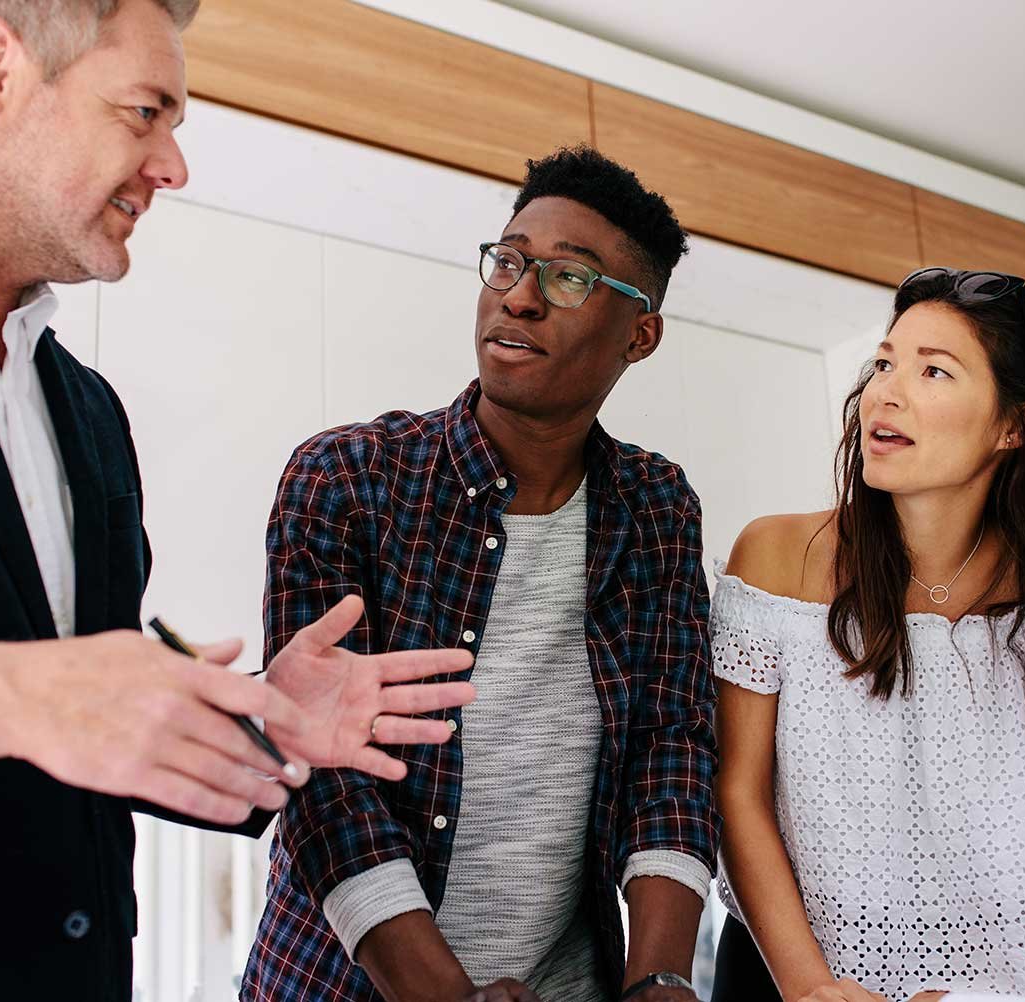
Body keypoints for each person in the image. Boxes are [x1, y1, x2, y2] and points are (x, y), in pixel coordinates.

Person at [0, 1, 472, 998]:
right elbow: (33, 704)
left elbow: (86, 735)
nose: (172, 167)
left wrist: (249, 719)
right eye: (143, 113)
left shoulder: (89, 414)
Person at [243, 147, 718, 1002]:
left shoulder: (657, 508)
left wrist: (659, 977)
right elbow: (326, 779)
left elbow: (670, 750)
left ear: (639, 333)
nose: (520, 295)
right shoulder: (347, 478)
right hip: (342, 985)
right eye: (508, 260)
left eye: (569, 278)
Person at [710, 268, 1025, 1002]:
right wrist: (809, 987)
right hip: (780, 979)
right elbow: (739, 789)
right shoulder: (777, 559)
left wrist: (1003, 980)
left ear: (1015, 425)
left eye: (934, 371)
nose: (886, 391)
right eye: (884, 363)